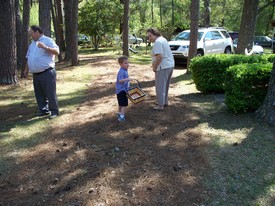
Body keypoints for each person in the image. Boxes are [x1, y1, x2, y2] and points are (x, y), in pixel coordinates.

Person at [24, 25, 60, 120]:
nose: (30, 35)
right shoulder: (32, 44)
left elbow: (57, 52)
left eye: (31, 33)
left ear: (37, 32)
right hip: (36, 74)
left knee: (50, 93)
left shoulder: (48, 40)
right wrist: (26, 70)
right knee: (39, 94)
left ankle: (54, 111)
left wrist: (45, 47)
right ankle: (43, 110)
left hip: (47, 72)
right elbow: (28, 57)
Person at [146, 28, 175, 110]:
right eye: (148, 37)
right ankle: (164, 102)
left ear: (155, 34)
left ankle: (160, 105)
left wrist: (155, 66)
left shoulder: (158, 42)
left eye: (150, 36)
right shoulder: (163, 39)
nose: (149, 38)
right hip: (169, 65)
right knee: (165, 85)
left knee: (160, 86)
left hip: (163, 66)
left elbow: (159, 57)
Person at [116, 56, 131, 122]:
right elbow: (120, 80)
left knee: (121, 103)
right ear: (120, 64)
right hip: (122, 90)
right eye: (125, 63)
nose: (127, 64)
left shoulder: (124, 70)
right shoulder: (121, 71)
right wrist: (127, 79)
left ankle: (119, 113)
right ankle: (122, 117)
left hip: (121, 90)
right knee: (124, 104)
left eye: (128, 63)